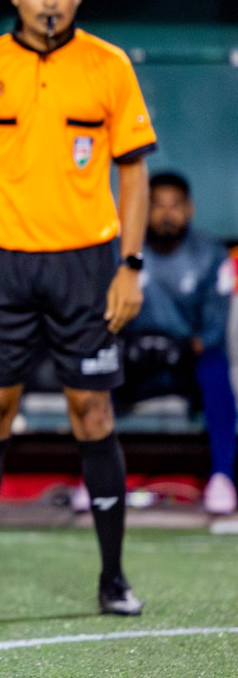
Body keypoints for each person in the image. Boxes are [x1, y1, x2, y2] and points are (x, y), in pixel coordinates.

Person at [0, 0, 157, 616]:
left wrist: (130, 266)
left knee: (92, 411)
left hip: (88, 267)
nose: (49, 0)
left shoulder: (110, 66)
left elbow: (135, 172)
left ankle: (113, 579)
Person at [115, 171, 236, 516]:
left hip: (187, 363)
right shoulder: (123, 253)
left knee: (216, 369)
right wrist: (131, 344)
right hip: (135, 363)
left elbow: (214, 329)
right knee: (96, 371)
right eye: (157, 205)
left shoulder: (210, 255)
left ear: (190, 209)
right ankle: (96, 479)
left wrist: (178, 347)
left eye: (175, 206)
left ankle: (223, 478)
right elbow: (104, 317)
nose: (167, 214)